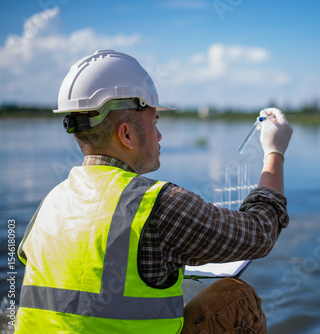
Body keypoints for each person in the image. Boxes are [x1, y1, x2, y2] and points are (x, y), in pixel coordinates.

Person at [15, 50, 292, 333]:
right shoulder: (156, 204)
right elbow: (260, 232)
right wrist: (274, 151)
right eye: (155, 121)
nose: (159, 135)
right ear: (126, 134)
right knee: (235, 297)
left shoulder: (50, 203)